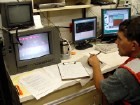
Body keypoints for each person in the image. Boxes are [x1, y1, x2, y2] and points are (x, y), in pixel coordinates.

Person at [88, 16, 140, 105]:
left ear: (134, 46)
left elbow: (101, 89)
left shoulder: (125, 74)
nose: (116, 42)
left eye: (119, 39)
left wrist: (96, 65)